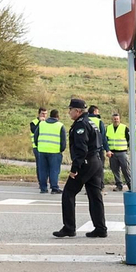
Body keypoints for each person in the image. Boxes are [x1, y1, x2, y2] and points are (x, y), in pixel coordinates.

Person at [53, 98, 108, 238]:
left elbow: (81, 149)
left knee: (68, 193)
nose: (69, 112)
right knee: (95, 196)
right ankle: (100, 228)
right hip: (96, 161)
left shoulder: (80, 125)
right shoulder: (90, 122)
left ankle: (69, 227)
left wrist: (75, 168)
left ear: (77, 111)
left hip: (86, 162)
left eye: (70, 109)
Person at [33, 109, 65, 194]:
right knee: (54, 170)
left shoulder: (42, 124)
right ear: (58, 116)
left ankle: (43, 188)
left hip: (42, 150)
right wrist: (61, 149)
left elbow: (35, 137)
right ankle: (54, 188)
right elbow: (63, 141)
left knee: (42, 170)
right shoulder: (60, 125)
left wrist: (39, 146)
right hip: (55, 151)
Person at [106, 113, 133, 191]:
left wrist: (128, 149)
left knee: (126, 170)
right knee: (115, 170)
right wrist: (107, 150)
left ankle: (130, 185)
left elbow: (129, 139)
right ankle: (119, 185)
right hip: (112, 153)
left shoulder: (124, 128)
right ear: (112, 119)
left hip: (122, 152)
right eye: (114, 119)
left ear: (119, 119)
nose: (116, 120)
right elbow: (106, 140)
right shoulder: (108, 128)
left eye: (117, 119)